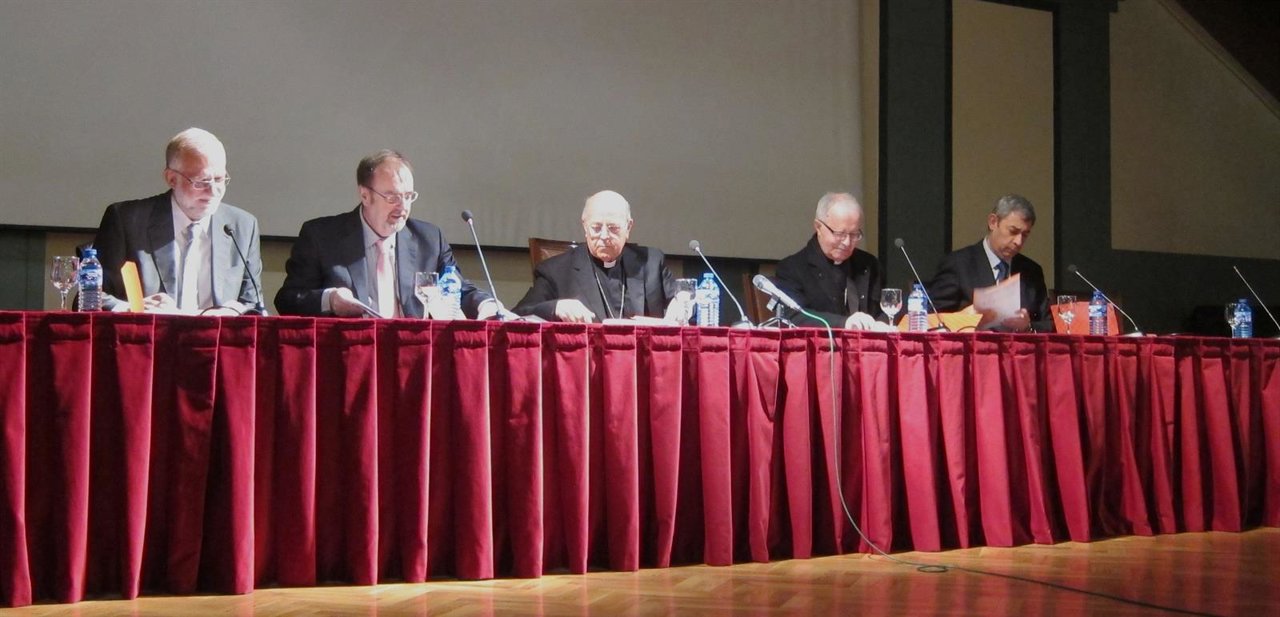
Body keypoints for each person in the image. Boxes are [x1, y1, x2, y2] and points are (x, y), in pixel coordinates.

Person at [274, 149, 497, 318]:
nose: (402, 207)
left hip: (412, 355)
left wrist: (489, 306)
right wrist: (329, 300)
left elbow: (458, 288)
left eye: (408, 196)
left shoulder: (429, 239)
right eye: (392, 197)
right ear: (364, 195)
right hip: (350, 355)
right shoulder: (321, 236)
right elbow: (288, 300)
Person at [92, 127, 264, 315]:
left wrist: (234, 311)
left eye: (220, 179)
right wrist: (132, 308)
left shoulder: (242, 226)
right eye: (201, 182)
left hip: (217, 339)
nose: (213, 191)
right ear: (171, 179)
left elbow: (253, 304)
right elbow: (91, 295)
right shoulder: (127, 220)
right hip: (150, 338)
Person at [512, 190, 684, 323]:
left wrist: (683, 303)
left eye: (613, 228)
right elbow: (518, 315)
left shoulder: (651, 262)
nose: (604, 235)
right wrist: (556, 307)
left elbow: (684, 302)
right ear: (584, 226)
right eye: (596, 227)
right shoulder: (555, 271)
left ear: (628, 227)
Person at [926, 194, 1051, 332]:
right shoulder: (958, 264)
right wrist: (967, 319)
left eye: (1025, 235)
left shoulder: (1032, 271)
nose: (1018, 241)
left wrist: (1028, 327)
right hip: (972, 349)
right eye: (1013, 231)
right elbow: (931, 319)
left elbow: (1049, 325)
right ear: (993, 222)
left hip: (1020, 351)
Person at [772, 192, 885, 329]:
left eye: (854, 234)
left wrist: (881, 324)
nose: (847, 242)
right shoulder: (792, 268)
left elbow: (884, 309)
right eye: (840, 234)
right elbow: (793, 316)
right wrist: (844, 323)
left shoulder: (869, 264)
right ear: (818, 227)